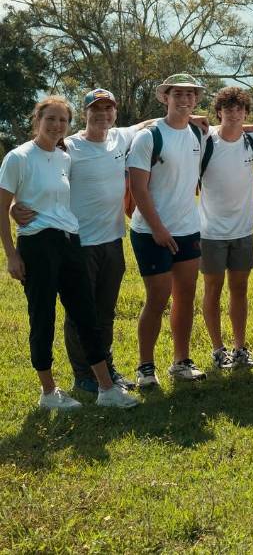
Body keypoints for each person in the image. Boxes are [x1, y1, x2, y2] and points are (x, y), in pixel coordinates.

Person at [0, 95, 138, 409]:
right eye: (50, 118)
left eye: (62, 120)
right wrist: (11, 254)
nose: (56, 125)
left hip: (70, 240)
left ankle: (106, 389)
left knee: (86, 315)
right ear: (37, 120)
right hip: (37, 245)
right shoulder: (19, 157)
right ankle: (48, 393)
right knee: (43, 317)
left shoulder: (64, 156)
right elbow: (2, 205)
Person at [127, 73, 209, 387]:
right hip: (151, 232)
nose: (185, 100)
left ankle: (180, 361)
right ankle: (145, 368)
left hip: (188, 228)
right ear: (166, 97)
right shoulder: (149, 136)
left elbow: (232, 128)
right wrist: (159, 229)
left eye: (191, 95)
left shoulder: (198, 134)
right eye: (179, 94)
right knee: (158, 298)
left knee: (185, 296)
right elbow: (138, 188)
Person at [199, 87, 253, 371]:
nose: (234, 114)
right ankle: (217, 349)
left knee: (240, 289)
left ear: (246, 113)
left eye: (240, 109)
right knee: (212, 289)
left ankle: (240, 348)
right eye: (228, 109)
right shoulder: (205, 141)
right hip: (210, 232)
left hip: (243, 231)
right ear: (219, 112)